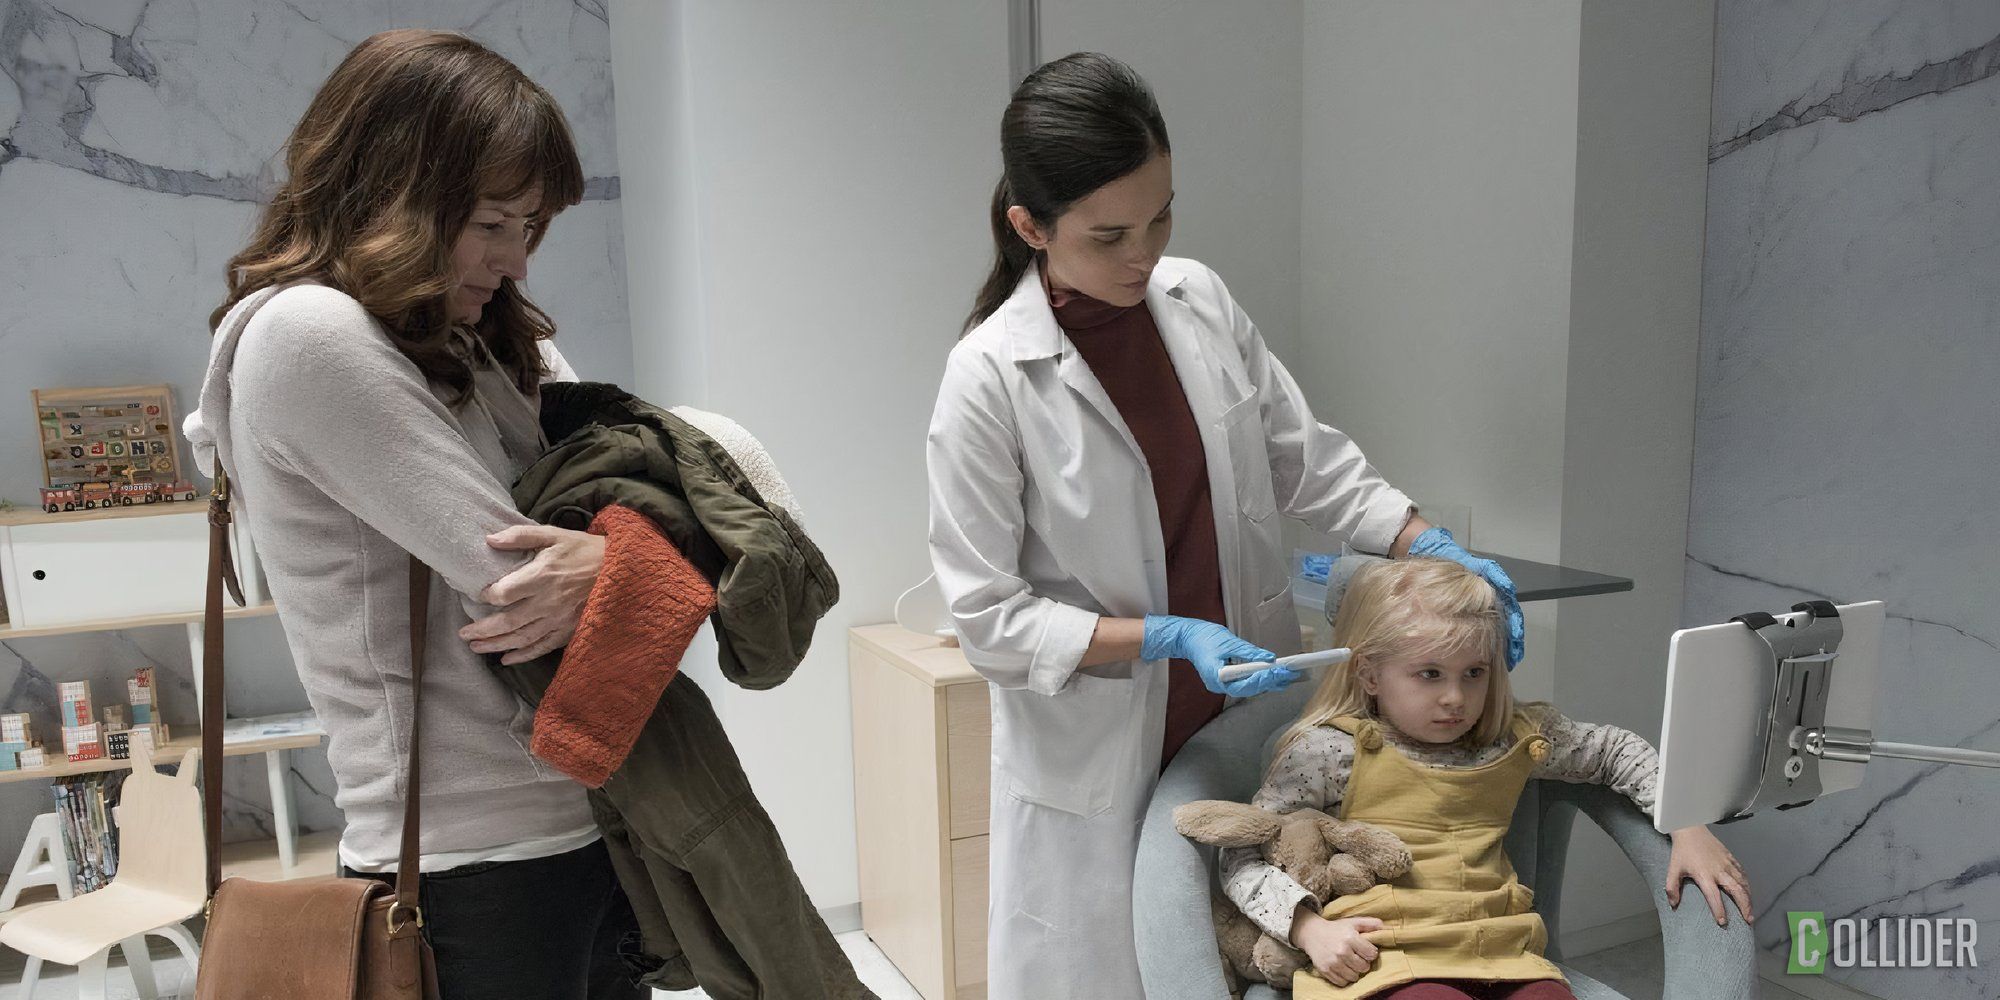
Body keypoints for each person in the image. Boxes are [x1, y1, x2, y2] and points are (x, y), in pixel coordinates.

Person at [924, 51, 1525, 998]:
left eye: (1162, 214)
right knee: (1119, 970)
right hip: (1105, 742)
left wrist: (1426, 542)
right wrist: (1163, 638)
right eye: (1110, 233)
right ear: (1029, 225)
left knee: (1260, 950)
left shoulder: (1197, 300)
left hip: (1245, 712)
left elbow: (1306, 459)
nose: (1145, 253)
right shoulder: (990, 378)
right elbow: (988, 618)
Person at [186, 29, 641, 997]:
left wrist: (620, 558)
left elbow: (653, 495)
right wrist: (628, 561)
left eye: (530, 226)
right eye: (489, 223)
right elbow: (525, 579)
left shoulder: (474, 338)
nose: (515, 261)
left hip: (584, 817)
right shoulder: (307, 334)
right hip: (468, 863)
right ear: (389, 189)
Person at [1224, 557, 1751, 999]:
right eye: (1430, 673)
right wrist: (1308, 929)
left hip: (1506, 950)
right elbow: (1241, 852)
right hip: (1385, 957)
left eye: (1474, 673)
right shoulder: (1327, 751)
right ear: (1369, 674)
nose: (1456, 697)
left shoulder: (1513, 737)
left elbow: (1614, 751)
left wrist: (1686, 824)